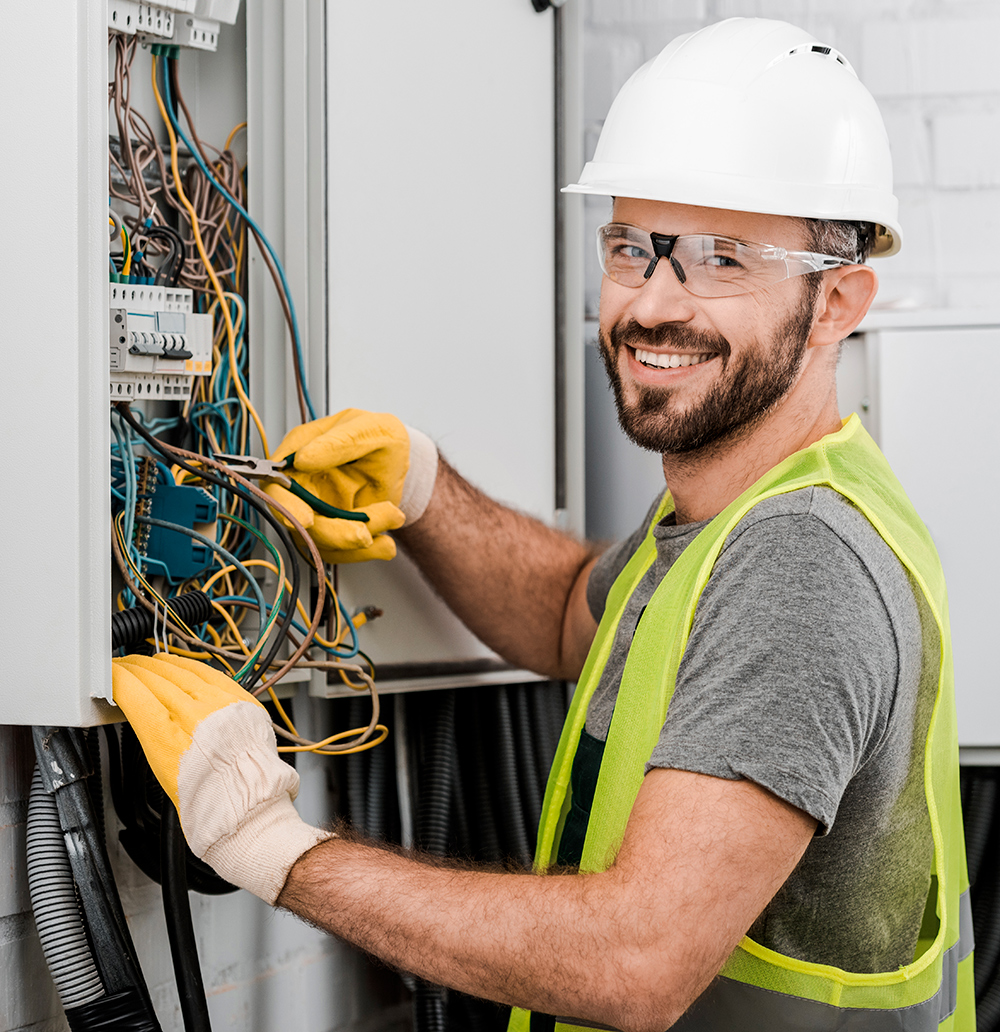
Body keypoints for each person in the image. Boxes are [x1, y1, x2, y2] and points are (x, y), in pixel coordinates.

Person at [111, 18, 973, 1032]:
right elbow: (576, 616)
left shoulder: (799, 560)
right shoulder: (732, 514)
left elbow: (637, 962)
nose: (652, 304)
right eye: (631, 248)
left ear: (837, 303)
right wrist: (426, 489)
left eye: (720, 260)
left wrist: (273, 848)